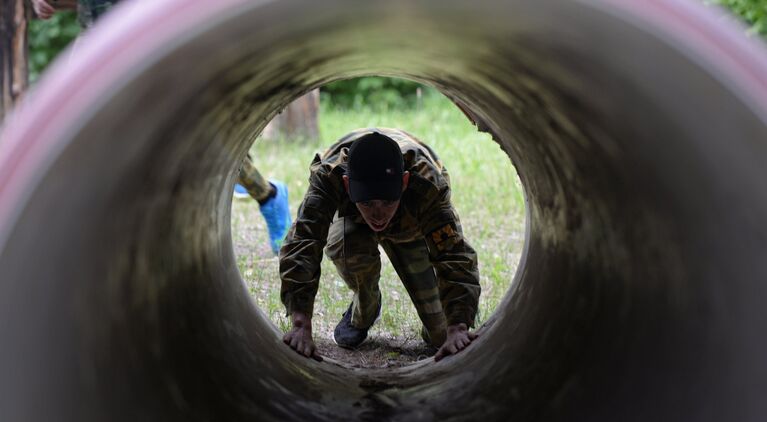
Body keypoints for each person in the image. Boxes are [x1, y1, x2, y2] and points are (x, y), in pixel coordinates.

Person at [30, 0, 292, 254]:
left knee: (194, 130)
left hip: (148, 36)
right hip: (97, 39)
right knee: (75, 129)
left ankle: (268, 195)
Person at [279, 128, 481, 362]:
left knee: (441, 333)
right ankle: (365, 307)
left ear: (404, 182)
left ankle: (437, 323)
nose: (377, 214)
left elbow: (454, 255)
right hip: (353, 225)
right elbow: (303, 241)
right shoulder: (329, 177)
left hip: (410, 227)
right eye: (367, 201)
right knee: (344, 243)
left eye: (387, 201)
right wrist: (300, 323)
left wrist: (458, 327)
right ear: (347, 185)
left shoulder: (427, 184)